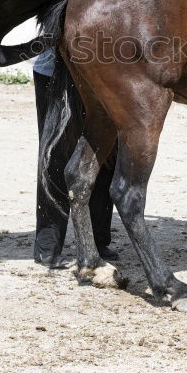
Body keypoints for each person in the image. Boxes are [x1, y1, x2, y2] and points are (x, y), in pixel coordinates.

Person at [32, 49, 116, 266]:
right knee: (57, 153)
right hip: (57, 70)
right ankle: (48, 245)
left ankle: (98, 239)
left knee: (104, 154)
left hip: (107, 74)